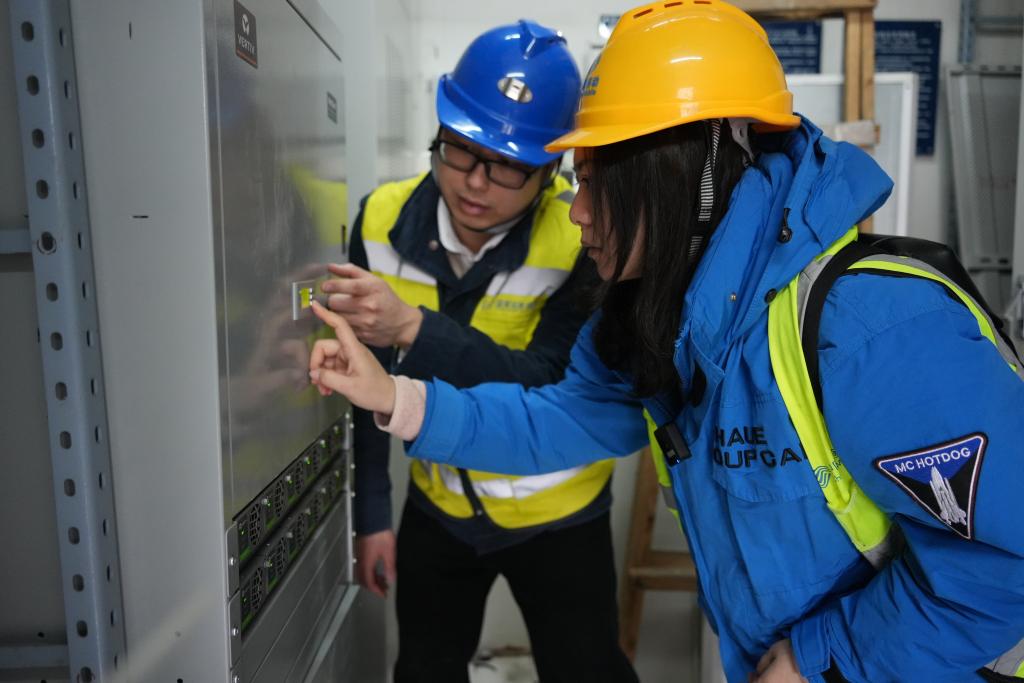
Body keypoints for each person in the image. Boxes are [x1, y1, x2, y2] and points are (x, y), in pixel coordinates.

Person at [309, 1, 1024, 682]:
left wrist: (820, 658)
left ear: (685, 183)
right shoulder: (655, 322)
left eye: (596, 182)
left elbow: (1007, 562)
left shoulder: (872, 325)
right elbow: (553, 420)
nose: (578, 212)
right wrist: (393, 395)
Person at [319, 19, 637, 683]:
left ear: (550, 171)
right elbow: (358, 379)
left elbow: (549, 382)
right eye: (460, 151)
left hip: (558, 511)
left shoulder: (581, 239)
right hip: (440, 510)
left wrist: (413, 328)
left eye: (509, 167)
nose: (475, 183)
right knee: (423, 671)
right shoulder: (378, 221)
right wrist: (372, 516)